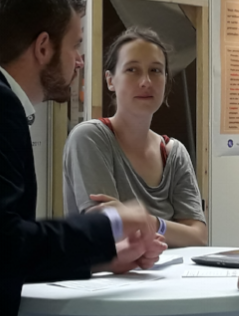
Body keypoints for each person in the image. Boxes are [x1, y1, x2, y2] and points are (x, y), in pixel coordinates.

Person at [0, 0, 166, 316]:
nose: (80, 60)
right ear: (43, 47)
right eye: (75, 45)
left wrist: (102, 258)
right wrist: (111, 222)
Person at [63, 27, 207, 247]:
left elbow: (198, 238)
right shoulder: (90, 138)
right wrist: (172, 229)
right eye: (132, 69)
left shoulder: (174, 153)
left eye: (155, 70)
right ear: (110, 80)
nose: (146, 81)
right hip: (110, 270)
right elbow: (109, 231)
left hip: (171, 270)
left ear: (166, 80)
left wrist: (146, 221)